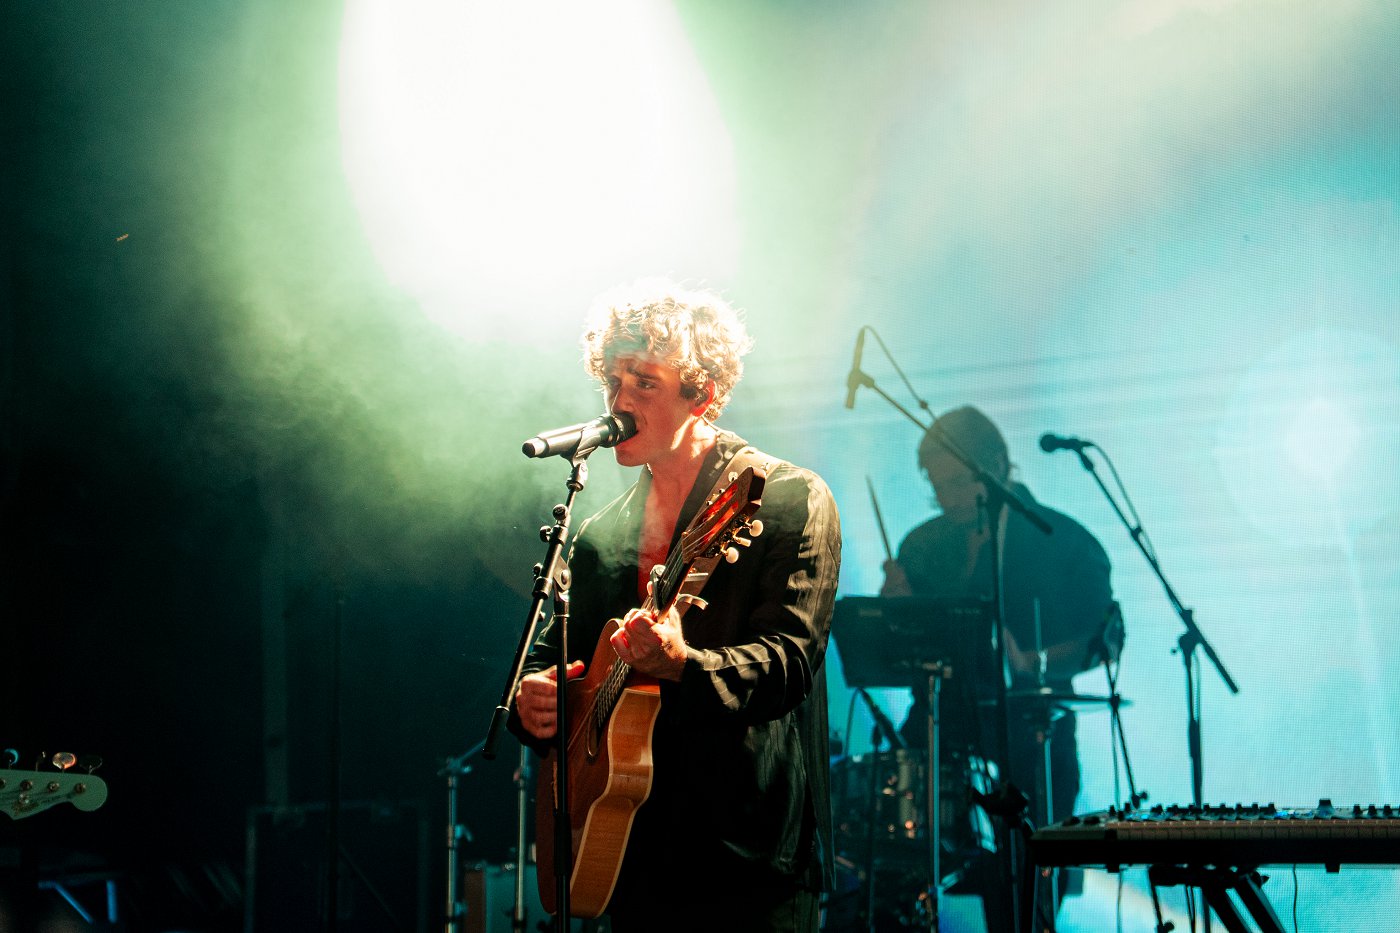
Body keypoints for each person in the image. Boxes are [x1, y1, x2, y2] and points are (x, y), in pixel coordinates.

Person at [509, 281, 842, 933]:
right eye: (613, 381)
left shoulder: (785, 499)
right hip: (627, 848)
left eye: (644, 383)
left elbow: (788, 663)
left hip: (743, 855)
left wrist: (683, 665)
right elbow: (551, 655)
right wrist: (536, 696)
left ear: (704, 394)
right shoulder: (602, 530)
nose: (619, 402)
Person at [880, 406, 1117, 917]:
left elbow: (1104, 639)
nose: (947, 497)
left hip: (1031, 739)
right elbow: (897, 655)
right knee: (893, 879)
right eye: (936, 486)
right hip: (937, 736)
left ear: (997, 465)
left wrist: (1033, 661)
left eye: (956, 483)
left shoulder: (1061, 539)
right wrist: (892, 617)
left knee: (1026, 899)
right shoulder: (922, 544)